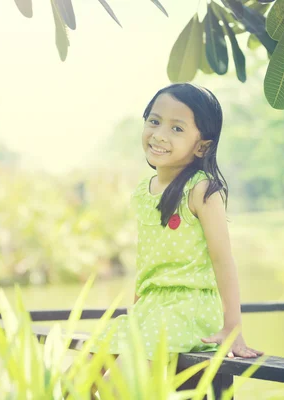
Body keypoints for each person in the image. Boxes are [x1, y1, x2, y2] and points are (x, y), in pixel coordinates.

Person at [88, 83, 263, 381]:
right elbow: (146, 261)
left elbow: (223, 261)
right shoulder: (144, 192)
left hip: (189, 309)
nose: (159, 135)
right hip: (150, 309)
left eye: (177, 129)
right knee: (78, 378)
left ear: (201, 146)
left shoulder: (202, 189)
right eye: (154, 121)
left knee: (113, 387)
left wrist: (232, 328)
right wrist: (137, 312)